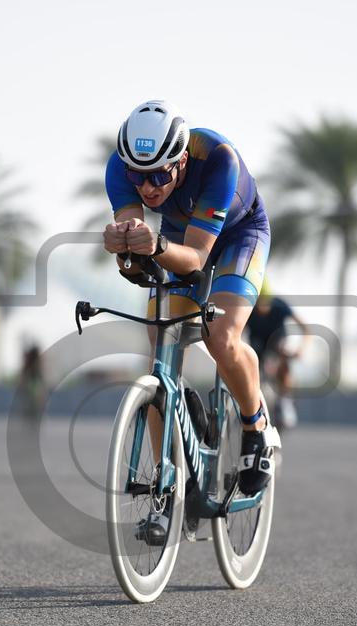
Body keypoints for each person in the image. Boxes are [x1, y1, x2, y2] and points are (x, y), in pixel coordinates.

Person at [103, 99, 273, 537]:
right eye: (138, 177)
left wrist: (155, 246)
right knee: (160, 349)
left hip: (239, 236)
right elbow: (136, 261)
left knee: (221, 337)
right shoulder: (119, 168)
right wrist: (123, 250)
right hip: (180, 235)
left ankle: (255, 426)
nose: (148, 188)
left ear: (180, 161)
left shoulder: (218, 160)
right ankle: (171, 489)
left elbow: (196, 258)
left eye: (159, 176)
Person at [246, 278, 309, 429]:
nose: (262, 307)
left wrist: (301, 349)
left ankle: (285, 399)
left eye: (265, 302)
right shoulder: (247, 309)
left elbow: (305, 329)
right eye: (258, 302)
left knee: (283, 357)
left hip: (278, 342)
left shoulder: (280, 306)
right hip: (258, 346)